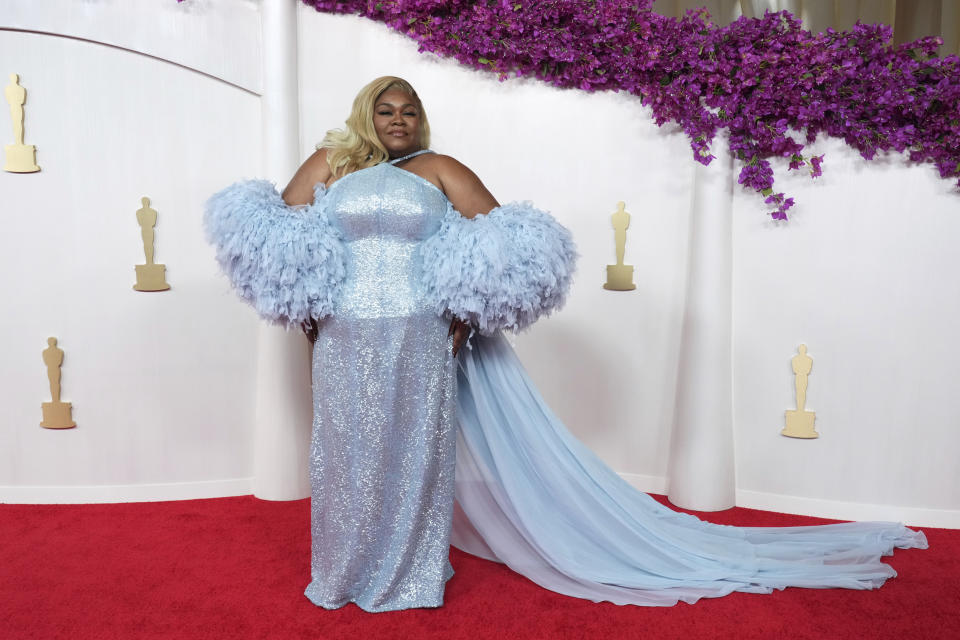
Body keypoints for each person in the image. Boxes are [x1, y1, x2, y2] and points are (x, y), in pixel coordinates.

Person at [204, 76, 926, 613]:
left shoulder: (440, 170)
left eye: (411, 110)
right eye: (387, 110)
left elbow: (510, 239)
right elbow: (280, 231)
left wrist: (467, 304)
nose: (400, 120)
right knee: (346, 453)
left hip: (421, 333)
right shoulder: (332, 165)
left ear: (423, 120)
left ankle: (410, 575)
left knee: (413, 453)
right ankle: (342, 570)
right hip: (343, 337)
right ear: (367, 115)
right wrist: (305, 300)